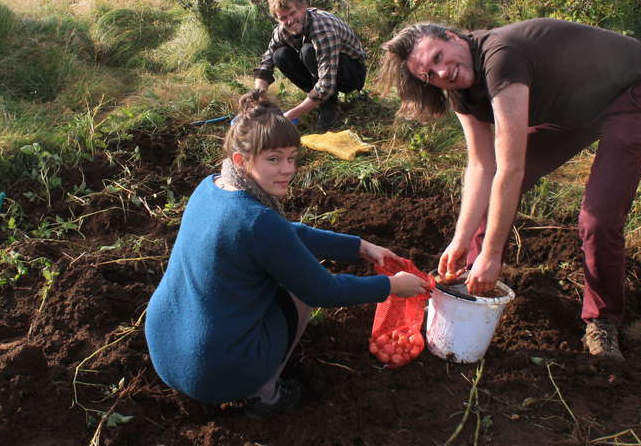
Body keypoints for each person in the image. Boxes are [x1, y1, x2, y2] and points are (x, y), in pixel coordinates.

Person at [380, 18, 641, 361]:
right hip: (573, 110)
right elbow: (481, 167)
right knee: (491, 198)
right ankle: (471, 284)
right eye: (429, 74)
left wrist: (494, 253)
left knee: (598, 218)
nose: (441, 73)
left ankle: (602, 321)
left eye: (439, 57)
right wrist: (461, 239)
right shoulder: (459, 89)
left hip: (631, 94)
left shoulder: (501, 57)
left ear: (454, 37)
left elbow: (510, 168)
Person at [145, 91, 429, 417]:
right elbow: (323, 290)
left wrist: (359, 247)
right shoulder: (258, 221)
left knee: (274, 274)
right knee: (299, 292)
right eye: (274, 159)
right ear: (241, 160)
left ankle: (219, 380)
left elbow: (287, 235)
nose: (287, 170)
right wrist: (391, 287)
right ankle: (264, 396)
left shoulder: (211, 187)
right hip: (215, 372)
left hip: (167, 349)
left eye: (292, 157)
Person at [253, 0, 367, 132]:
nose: (290, 21)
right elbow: (266, 62)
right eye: (283, 18)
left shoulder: (322, 28)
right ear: (277, 19)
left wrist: (291, 114)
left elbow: (326, 83)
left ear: (303, 8)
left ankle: (329, 105)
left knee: (308, 51)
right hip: (324, 69)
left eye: (293, 13)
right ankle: (319, 100)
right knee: (279, 55)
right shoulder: (282, 30)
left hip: (352, 73)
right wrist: (258, 95)